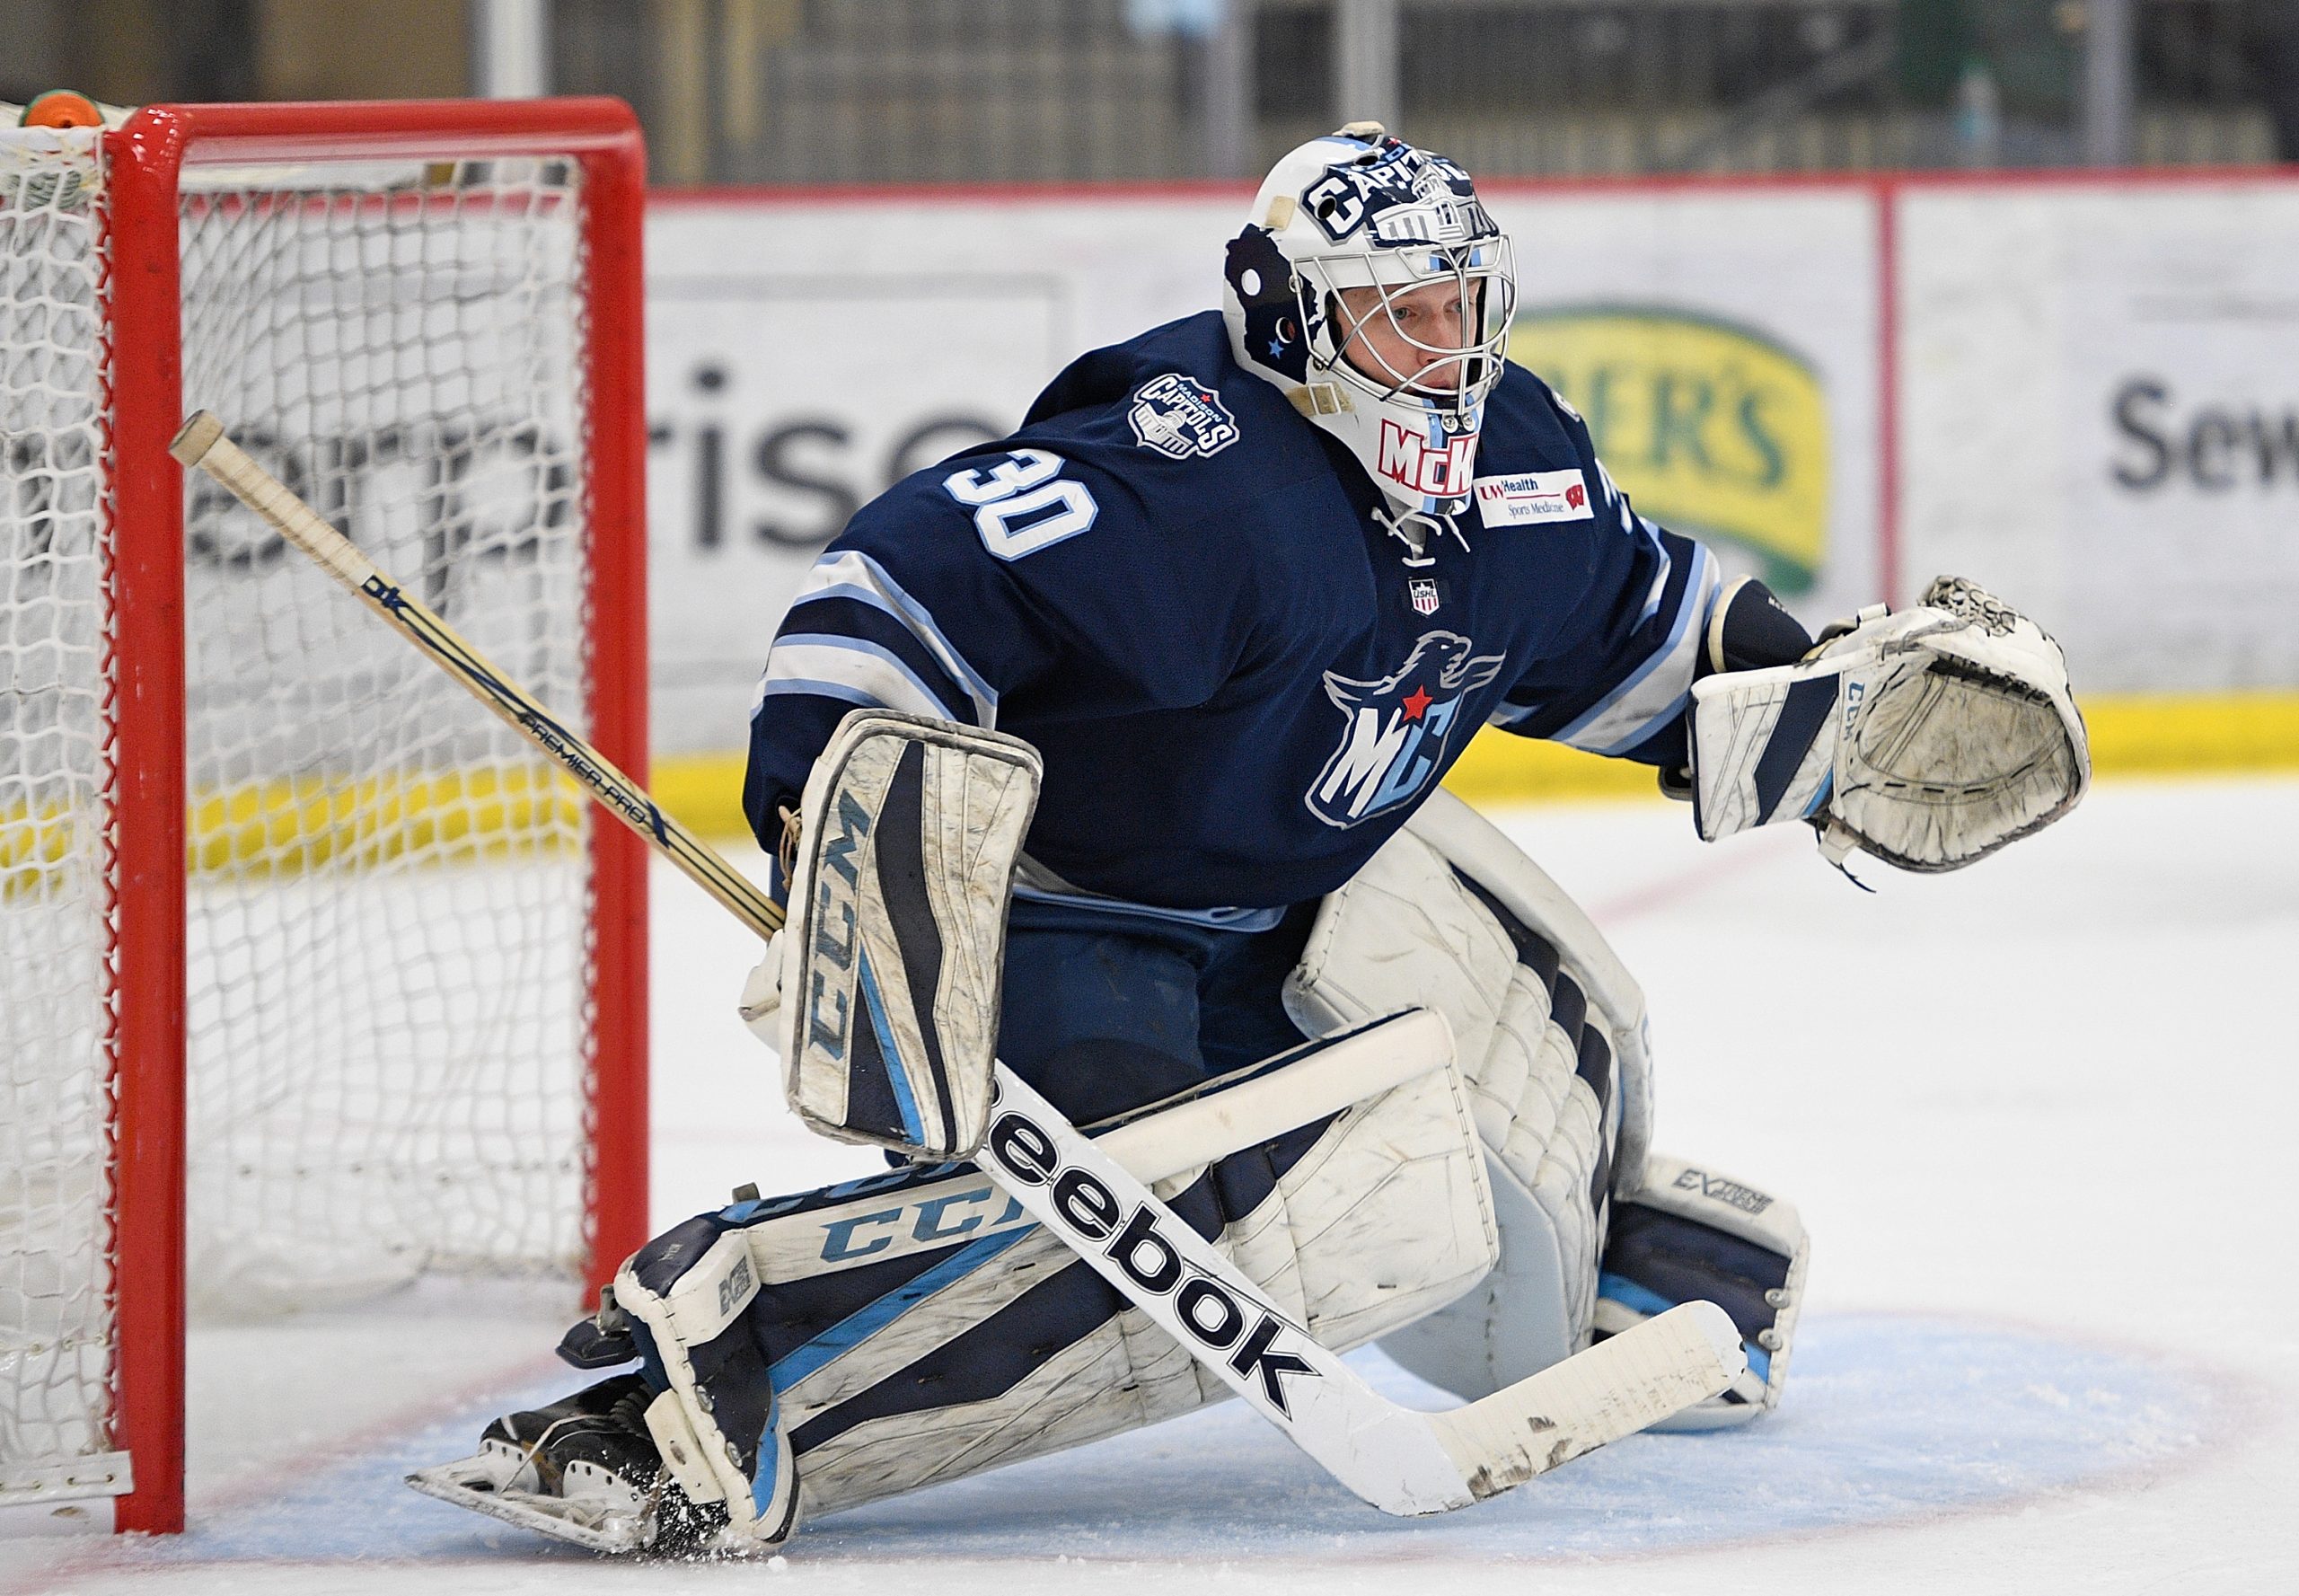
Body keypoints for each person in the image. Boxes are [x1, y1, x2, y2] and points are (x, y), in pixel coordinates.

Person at [412, 124, 2083, 1555]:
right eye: (1394, 315)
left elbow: (1635, 621)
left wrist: (1801, 687)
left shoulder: (1514, 456)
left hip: (1322, 880)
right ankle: (710, 1379)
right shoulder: (1194, 479)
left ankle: (1586, 1270)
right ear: (1293, 313)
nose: (1444, 348)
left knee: (1569, 1015)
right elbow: (894, 593)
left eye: (1460, 304)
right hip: (1083, 927)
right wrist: (846, 845)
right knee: (1200, 1235)